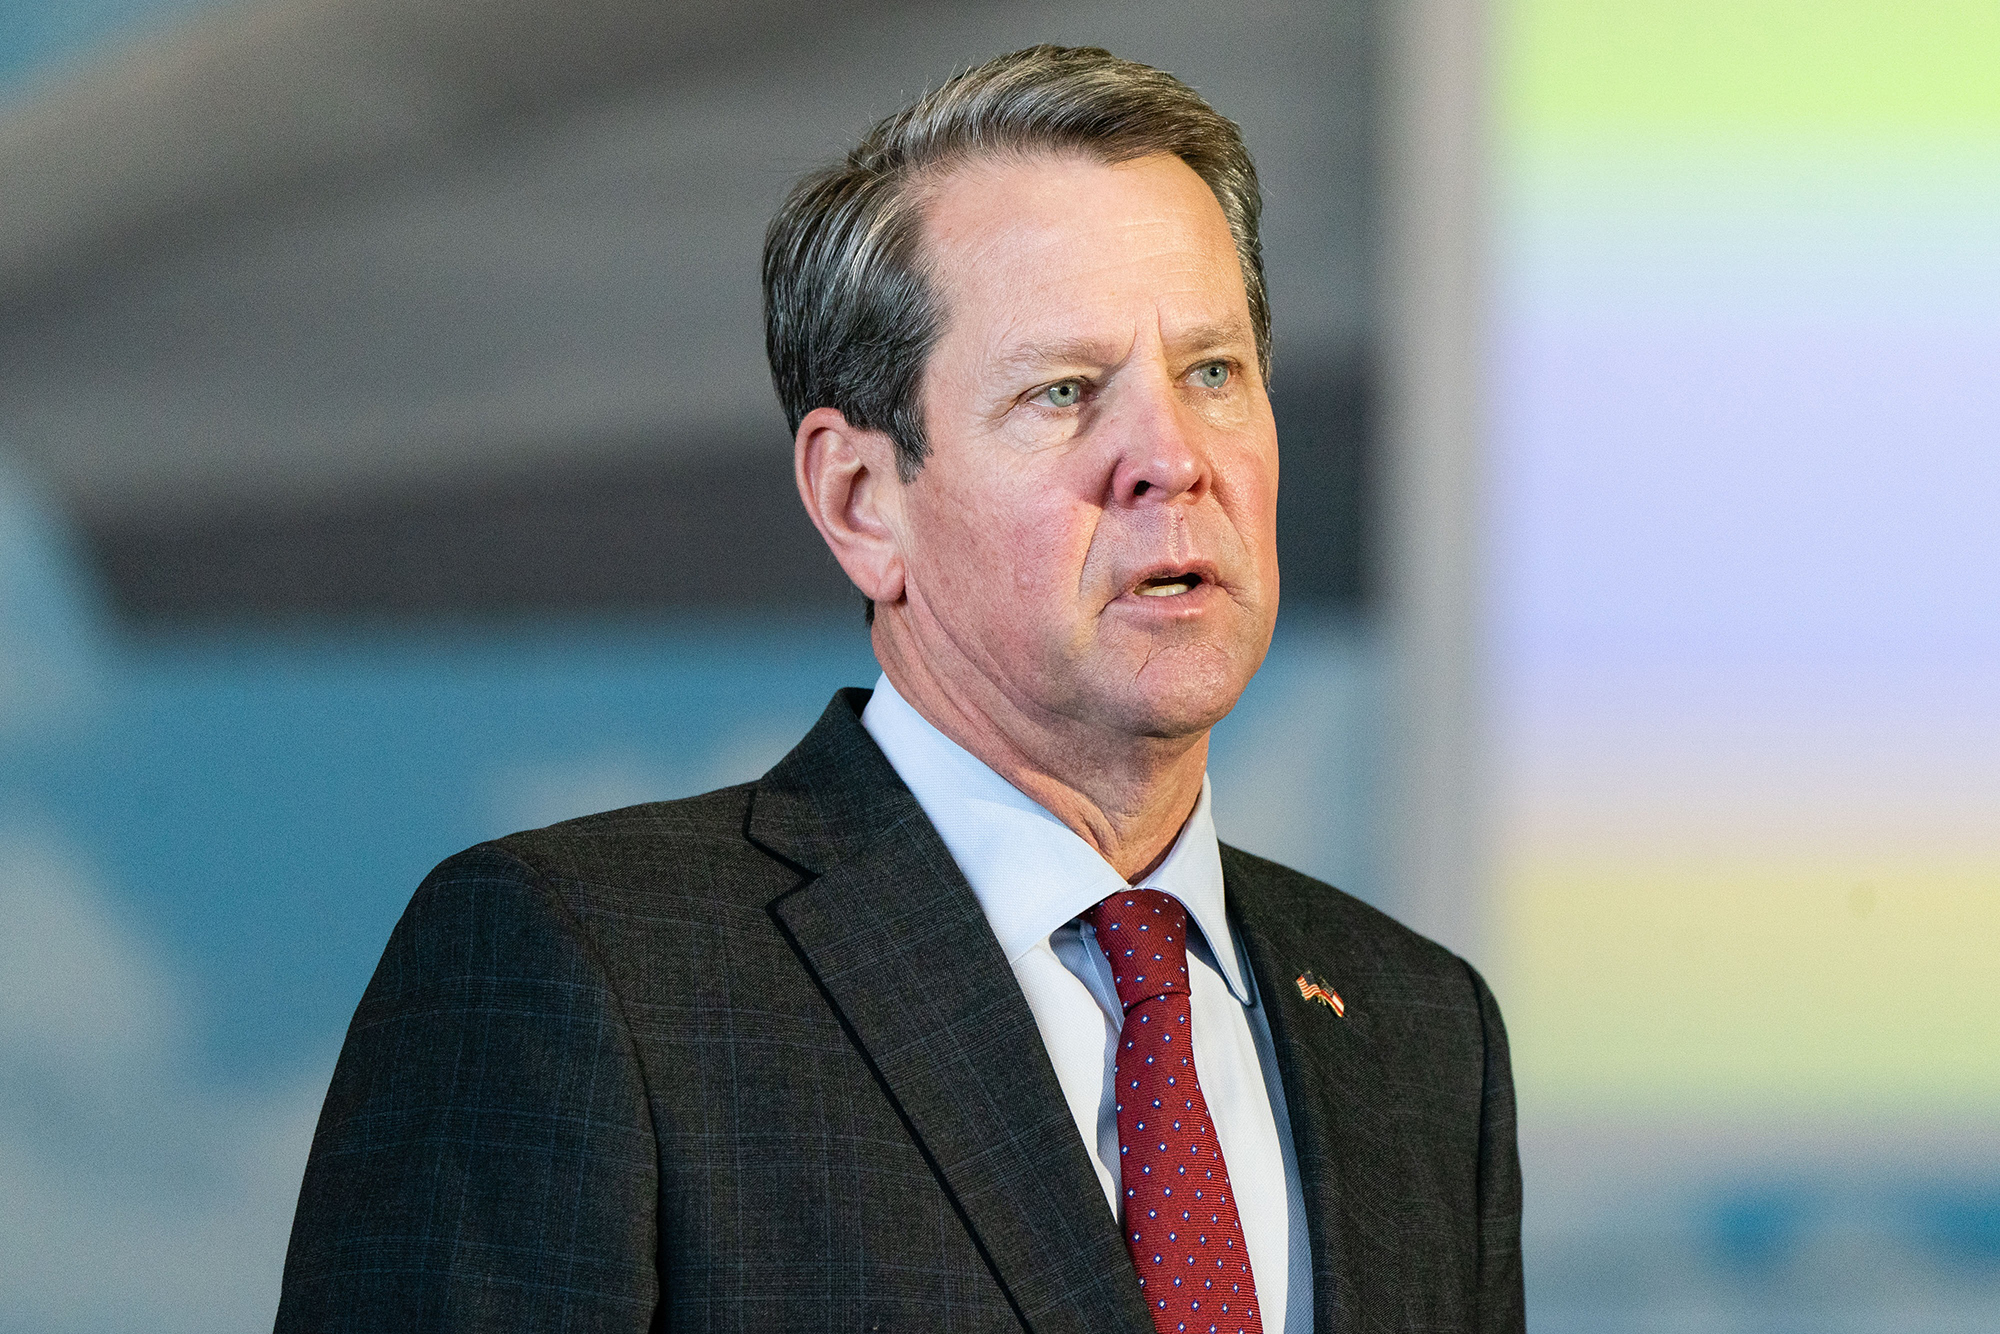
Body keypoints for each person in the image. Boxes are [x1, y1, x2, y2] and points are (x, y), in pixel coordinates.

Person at [276, 45, 1522, 1334]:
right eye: (1065, 392)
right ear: (862, 502)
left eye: (1213, 373)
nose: (1172, 458)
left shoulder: (1420, 1034)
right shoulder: (587, 973)